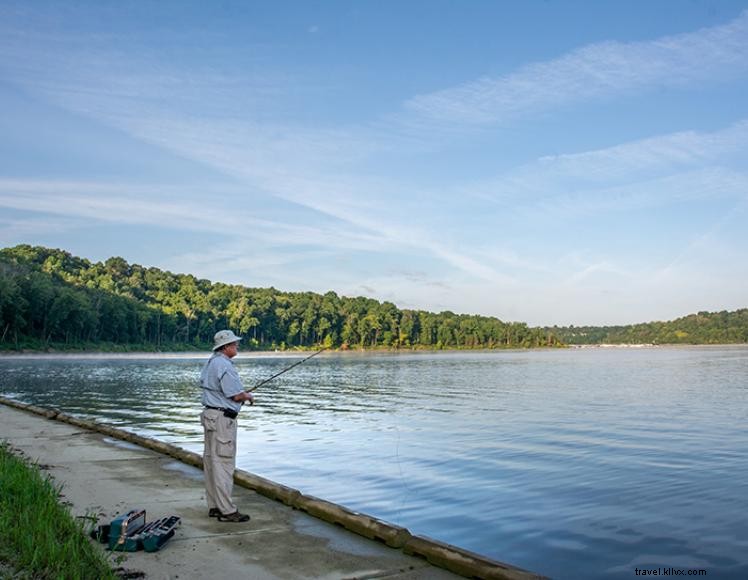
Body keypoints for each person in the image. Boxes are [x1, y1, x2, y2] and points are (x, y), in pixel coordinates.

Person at [199, 329, 255, 522]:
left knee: (211, 463)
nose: (237, 346)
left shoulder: (212, 362)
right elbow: (235, 395)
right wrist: (247, 396)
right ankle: (227, 511)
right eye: (234, 344)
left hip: (210, 416)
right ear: (226, 347)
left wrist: (240, 393)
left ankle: (214, 506)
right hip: (223, 420)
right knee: (223, 464)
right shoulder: (224, 365)